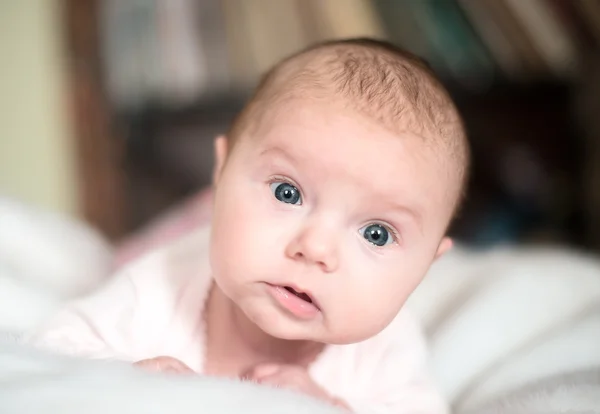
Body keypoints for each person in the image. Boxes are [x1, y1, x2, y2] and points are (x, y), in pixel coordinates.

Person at [27, 38, 470, 413]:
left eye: (376, 233)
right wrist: (129, 378)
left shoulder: (386, 353)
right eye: (287, 193)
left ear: (426, 265)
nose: (315, 248)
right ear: (221, 171)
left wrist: (330, 407)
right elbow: (48, 354)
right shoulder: (160, 284)